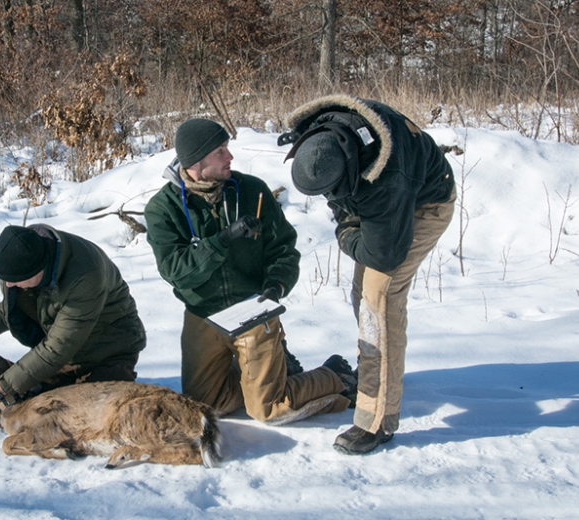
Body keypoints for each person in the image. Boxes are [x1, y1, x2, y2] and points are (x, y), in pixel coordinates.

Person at [144, 118, 355, 425]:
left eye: (227, 148)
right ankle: (267, 374)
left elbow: (283, 249)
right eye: (220, 151)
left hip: (253, 310)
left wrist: (276, 288)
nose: (230, 156)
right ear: (196, 160)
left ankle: (335, 377)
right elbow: (176, 271)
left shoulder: (252, 191)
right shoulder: (163, 208)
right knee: (205, 408)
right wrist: (222, 240)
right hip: (203, 314)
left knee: (269, 409)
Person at [279, 95, 456, 454]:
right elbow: (340, 196)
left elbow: (383, 254)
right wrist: (345, 214)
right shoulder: (326, 136)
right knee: (363, 296)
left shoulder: (386, 178)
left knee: (380, 303)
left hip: (423, 206)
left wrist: (345, 232)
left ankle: (376, 420)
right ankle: (374, 376)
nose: (328, 198)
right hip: (380, 199)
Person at [0, 224, 146, 404]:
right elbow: (14, 306)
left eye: (14, 281)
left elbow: (58, 347)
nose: (9, 285)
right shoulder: (26, 254)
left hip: (109, 347)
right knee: (38, 398)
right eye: (5, 280)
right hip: (67, 350)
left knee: (94, 408)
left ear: (39, 269)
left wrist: (2, 387)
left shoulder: (86, 276)